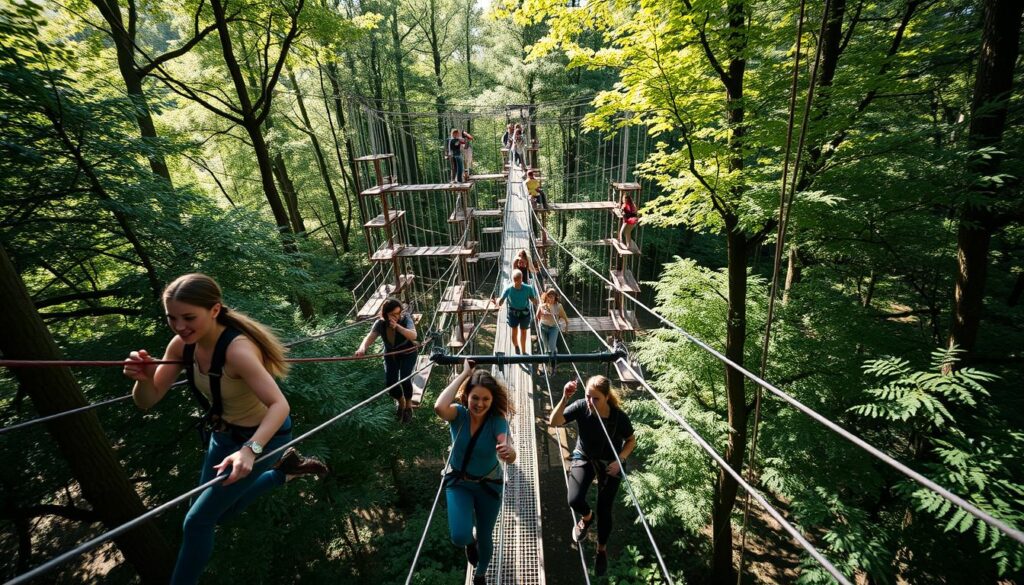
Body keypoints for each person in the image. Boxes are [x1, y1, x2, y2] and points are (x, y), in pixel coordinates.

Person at [123, 273, 327, 585]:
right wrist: (143, 379)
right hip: (223, 437)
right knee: (215, 512)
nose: (179, 326)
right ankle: (284, 472)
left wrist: (250, 451)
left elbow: (280, 406)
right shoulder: (181, 346)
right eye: (172, 318)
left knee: (197, 522)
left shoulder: (237, 351)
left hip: (265, 438)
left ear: (215, 310)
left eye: (189, 317)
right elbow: (147, 401)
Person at [434, 360, 517, 585]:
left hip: (488, 485)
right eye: (475, 398)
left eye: (485, 399)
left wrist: (508, 451)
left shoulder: (497, 421)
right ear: (466, 396)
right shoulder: (458, 415)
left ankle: (480, 574)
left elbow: (507, 445)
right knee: (459, 535)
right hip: (459, 482)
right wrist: (464, 374)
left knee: (485, 535)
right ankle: (470, 543)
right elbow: (439, 407)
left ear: (492, 400)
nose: (480, 404)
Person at [549, 376, 636, 577]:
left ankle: (601, 550)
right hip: (585, 456)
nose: (590, 401)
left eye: (596, 398)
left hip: (610, 462)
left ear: (606, 397)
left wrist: (620, 460)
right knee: (574, 500)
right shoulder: (582, 407)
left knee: (604, 509)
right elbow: (554, 422)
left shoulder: (618, 418)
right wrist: (565, 398)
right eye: (588, 396)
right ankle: (587, 518)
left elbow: (631, 441)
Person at [355, 297, 419, 423]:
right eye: (393, 314)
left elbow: (413, 335)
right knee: (391, 383)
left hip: (408, 353)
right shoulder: (380, 324)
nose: (397, 316)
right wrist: (362, 348)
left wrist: (397, 327)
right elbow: (370, 337)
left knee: (405, 379)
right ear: (385, 314)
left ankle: (408, 406)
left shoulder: (405, 319)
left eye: (398, 313)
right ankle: (401, 402)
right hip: (390, 355)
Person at [494, 269, 538, 354]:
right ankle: (516, 346)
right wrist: (498, 302)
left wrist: (538, 302)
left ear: (521, 278)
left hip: (524, 312)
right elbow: (501, 300)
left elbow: (533, 299)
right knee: (515, 331)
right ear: (513, 279)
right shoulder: (508, 288)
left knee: (523, 331)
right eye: (515, 280)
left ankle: (524, 351)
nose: (516, 282)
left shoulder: (528, 288)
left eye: (518, 280)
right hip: (513, 313)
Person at [535, 288, 569, 373]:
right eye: (549, 296)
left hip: (553, 328)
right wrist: (541, 315)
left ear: (555, 297)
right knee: (546, 347)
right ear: (546, 297)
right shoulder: (542, 305)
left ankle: (553, 365)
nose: (551, 298)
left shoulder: (559, 306)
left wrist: (566, 329)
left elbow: (565, 318)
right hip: (543, 327)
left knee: (551, 348)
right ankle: (546, 366)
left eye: (553, 296)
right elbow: (537, 317)